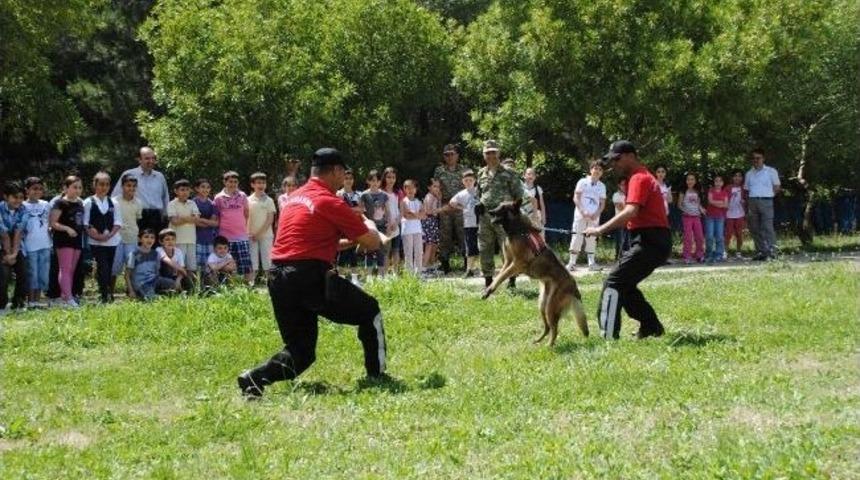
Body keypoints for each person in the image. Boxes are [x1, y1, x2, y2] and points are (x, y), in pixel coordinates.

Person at [237, 147, 388, 398]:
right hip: (309, 276)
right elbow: (372, 242)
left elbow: (311, 242)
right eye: (344, 173)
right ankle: (377, 375)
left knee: (301, 352)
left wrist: (351, 240)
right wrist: (369, 227)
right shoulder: (330, 201)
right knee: (369, 310)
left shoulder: (293, 199)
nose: (344, 179)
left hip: (278, 277)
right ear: (337, 171)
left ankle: (254, 377)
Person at [585, 140, 671, 340]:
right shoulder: (639, 176)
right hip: (650, 240)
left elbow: (631, 211)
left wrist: (600, 229)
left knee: (613, 282)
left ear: (631, 156)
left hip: (650, 241)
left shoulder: (639, 178)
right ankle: (651, 327)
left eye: (617, 159)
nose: (614, 164)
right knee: (626, 285)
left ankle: (608, 335)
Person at [476, 140, 525, 288]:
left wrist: (514, 214)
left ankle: (511, 281)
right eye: (487, 152)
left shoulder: (509, 173)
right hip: (485, 217)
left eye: (493, 152)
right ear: (484, 155)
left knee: (507, 249)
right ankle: (488, 281)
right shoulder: (481, 173)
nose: (491, 155)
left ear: (498, 153)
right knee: (485, 248)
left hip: (504, 218)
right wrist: (479, 203)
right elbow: (480, 193)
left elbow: (519, 195)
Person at [112, 147, 170, 239]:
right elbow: (115, 196)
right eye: (147, 158)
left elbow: (165, 197)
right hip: (137, 216)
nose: (150, 161)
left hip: (156, 217)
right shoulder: (129, 174)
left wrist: (166, 215)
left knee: (155, 249)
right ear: (139, 159)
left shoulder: (160, 176)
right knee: (136, 247)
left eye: (153, 158)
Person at [83, 172, 122, 303]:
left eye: (106, 184)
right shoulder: (88, 202)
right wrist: (98, 236)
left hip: (112, 241)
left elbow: (118, 222)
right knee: (102, 267)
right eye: (101, 184)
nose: (104, 187)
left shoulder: (114, 202)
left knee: (109, 268)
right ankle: (104, 295)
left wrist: (109, 235)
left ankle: (107, 293)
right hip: (95, 242)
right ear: (95, 185)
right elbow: (86, 223)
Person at [49, 176, 85, 308]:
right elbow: (53, 223)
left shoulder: (80, 203)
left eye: (80, 187)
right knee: (65, 269)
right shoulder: (60, 203)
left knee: (71, 270)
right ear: (65, 188)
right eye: (74, 187)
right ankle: (69, 298)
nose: (78, 190)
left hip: (77, 240)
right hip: (63, 240)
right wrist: (67, 228)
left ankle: (65, 297)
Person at [433, 144, 468, 273]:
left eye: (452, 154)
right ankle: (445, 264)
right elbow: (435, 188)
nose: (449, 156)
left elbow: (470, 188)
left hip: (460, 206)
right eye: (446, 154)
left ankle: (467, 263)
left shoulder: (464, 170)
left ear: (457, 155)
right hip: (445, 206)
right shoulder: (439, 171)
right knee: (445, 235)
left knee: (463, 234)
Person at [567, 161, 607, 272]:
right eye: (595, 168)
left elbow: (602, 203)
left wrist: (596, 214)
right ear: (591, 170)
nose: (597, 171)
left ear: (602, 172)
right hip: (580, 215)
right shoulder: (582, 182)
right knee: (577, 237)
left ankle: (591, 263)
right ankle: (571, 263)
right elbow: (576, 198)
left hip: (594, 217)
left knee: (592, 239)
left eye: (600, 169)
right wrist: (582, 211)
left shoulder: (602, 186)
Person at [214, 171, 253, 283]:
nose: (233, 184)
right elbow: (216, 216)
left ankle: (248, 287)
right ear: (224, 182)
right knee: (227, 264)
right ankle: (230, 286)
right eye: (230, 181)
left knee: (246, 264)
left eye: (235, 182)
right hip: (225, 237)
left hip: (241, 236)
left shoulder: (243, 195)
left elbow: (246, 213)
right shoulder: (218, 198)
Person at [744, 148, 781, 260]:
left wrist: (769, 196)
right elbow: (746, 189)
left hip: (766, 201)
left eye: (758, 158)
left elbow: (777, 187)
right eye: (754, 158)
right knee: (754, 228)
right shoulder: (749, 173)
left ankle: (773, 252)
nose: (756, 160)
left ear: (763, 158)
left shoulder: (771, 171)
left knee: (767, 227)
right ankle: (761, 251)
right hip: (752, 202)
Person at [21, 177, 52, 308]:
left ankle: (37, 301)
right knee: (32, 273)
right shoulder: (22, 205)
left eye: (40, 189)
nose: (37, 191)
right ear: (27, 190)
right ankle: (31, 301)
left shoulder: (46, 204)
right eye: (34, 189)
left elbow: (50, 221)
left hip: (45, 244)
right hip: (29, 246)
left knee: (43, 274)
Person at [113, 174, 143, 297]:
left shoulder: (138, 202)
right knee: (115, 266)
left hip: (132, 237)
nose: (131, 188)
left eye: (134, 186)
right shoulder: (114, 201)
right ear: (122, 186)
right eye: (128, 186)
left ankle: (130, 290)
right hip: (117, 238)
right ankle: (110, 292)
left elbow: (137, 218)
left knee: (131, 265)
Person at [1, 181, 28, 312]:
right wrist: (7, 255)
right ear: (6, 197)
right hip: (1, 245)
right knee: (4, 274)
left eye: (21, 197)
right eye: (15, 197)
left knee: (23, 273)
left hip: (17, 245)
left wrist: (14, 254)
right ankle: (2, 304)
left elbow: (18, 232)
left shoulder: (23, 209)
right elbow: (4, 234)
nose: (18, 200)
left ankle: (18, 302)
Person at [449, 170, 480, 277]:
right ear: (463, 182)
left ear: (474, 181)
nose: (468, 182)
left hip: (481, 223)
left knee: (481, 246)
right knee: (470, 246)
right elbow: (452, 202)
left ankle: (479, 268)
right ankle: (469, 269)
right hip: (469, 223)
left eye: (470, 180)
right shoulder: (461, 194)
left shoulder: (479, 191)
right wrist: (461, 208)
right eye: (466, 180)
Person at [126, 229, 171, 301]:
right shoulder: (134, 254)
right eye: (146, 237)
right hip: (142, 283)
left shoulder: (156, 254)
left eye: (152, 237)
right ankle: (143, 294)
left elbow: (157, 271)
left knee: (174, 285)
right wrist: (131, 291)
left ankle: (154, 292)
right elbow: (127, 275)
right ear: (139, 239)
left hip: (154, 280)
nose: (149, 239)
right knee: (155, 299)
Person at [247, 172, 276, 284]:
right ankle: (251, 285)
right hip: (251, 235)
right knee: (252, 261)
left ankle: (270, 285)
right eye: (258, 182)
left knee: (267, 261)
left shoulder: (269, 200)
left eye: (263, 182)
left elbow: (270, 219)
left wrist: (259, 234)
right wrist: (249, 233)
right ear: (252, 185)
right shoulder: (248, 200)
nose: (261, 185)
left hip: (266, 235)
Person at [167, 179, 200, 277]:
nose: (185, 192)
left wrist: (182, 217)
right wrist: (190, 218)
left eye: (187, 189)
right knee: (178, 264)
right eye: (182, 189)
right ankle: (177, 287)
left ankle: (191, 288)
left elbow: (197, 219)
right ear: (176, 191)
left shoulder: (192, 203)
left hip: (191, 239)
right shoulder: (172, 204)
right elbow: (174, 221)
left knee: (192, 265)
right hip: (177, 239)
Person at [360, 170, 390, 276]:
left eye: (377, 180)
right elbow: (360, 211)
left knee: (381, 251)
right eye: (372, 180)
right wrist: (366, 222)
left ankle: (381, 276)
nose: (375, 183)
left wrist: (389, 224)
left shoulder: (384, 195)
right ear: (368, 181)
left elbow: (387, 211)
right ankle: (369, 275)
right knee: (369, 250)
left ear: (380, 182)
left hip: (381, 226)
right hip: (370, 228)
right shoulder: (364, 195)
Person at [336, 169, 364, 281]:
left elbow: (361, 210)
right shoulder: (338, 194)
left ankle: (355, 279)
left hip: (354, 227)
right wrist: (354, 210)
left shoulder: (358, 194)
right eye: (346, 178)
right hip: (342, 228)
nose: (348, 181)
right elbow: (339, 210)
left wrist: (349, 209)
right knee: (342, 253)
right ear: (342, 180)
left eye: (350, 178)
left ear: (353, 180)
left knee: (353, 253)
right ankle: (340, 278)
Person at [192, 178, 219, 284]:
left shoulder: (212, 204)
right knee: (197, 265)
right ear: (197, 188)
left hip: (209, 238)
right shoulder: (193, 202)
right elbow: (194, 222)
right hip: (196, 237)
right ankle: (197, 286)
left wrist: (201, 220)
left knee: (209, 264)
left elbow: (215, 223)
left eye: (208, 187)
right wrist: (207, 222)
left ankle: (210, 286)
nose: (205, 189)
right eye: (202, 187)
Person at [678, 172, 706, 264]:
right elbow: (679, 205)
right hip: (687, 217)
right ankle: (687, 256)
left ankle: (699, 255)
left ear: (695, 181)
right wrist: (685, 210)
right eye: (688, 179)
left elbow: (698, 204)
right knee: (688, 237)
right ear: (686, 181)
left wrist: (702, 209)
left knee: (700, 236)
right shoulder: (683, 191)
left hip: (697, 216)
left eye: (692, 179)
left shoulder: (697, 191)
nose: (690, 181)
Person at [400, 179, 425, 275]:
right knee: (408, 252)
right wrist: (417, 215)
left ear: (416, 189)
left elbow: (424, 215)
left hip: (418, 230)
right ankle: (409, 274)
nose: (410, 190)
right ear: (405, 189)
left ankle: (418, 272)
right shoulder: (403, 201)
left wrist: (413, 213)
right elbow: (406, 215)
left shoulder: (419, 201)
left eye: (413, 188)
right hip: (407, 230)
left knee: (419, 251)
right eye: (408, 188)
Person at [156, 228, 193, 293]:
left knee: (190, 274)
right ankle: (171, 289)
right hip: (162, 275)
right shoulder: (159, 249)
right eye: (167, 239)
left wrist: (178, 280)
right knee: (168, 265)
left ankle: (183, 290)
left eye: (173, 239)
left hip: (174, 276)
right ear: (161, 242)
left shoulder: (178, 251)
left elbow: (182, 268)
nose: (170, 242)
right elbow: (167, 260)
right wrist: (182, 270)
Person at [381, 167, 403, 274]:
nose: (391, 180)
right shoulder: (381, 192)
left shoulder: (398, 192)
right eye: (389, 177)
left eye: (393, 177)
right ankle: (384, 275)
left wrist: (397, 222)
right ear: (384, 178)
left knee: (396, 250)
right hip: (385, 226)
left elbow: (402, 209)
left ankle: (396, 274)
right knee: (386, 251)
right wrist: (388, 223)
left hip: (396, 225)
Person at [421, 178, 444, 274]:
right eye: (434, 186)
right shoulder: (429, 197)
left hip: (434, 221)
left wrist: (439, 200)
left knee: (434, 244)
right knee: (429, 244)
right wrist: (439, 210)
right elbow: (427, 211)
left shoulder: (435, 197)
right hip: (428, 222)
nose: (437, 189)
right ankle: (424, 266)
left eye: (438, 187)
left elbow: (437, 208)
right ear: (429, 187)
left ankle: (431, 265)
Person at [704, 175, 729, 263]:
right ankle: (709, 254)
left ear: (722, 183)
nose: (718, 183)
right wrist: (721, 203)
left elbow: (726, 205)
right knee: (709, 236)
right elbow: (710, 201)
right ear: (714, 183)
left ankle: (719, 254)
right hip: (710, 217)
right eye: (716, 181)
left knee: (719, 237)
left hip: (720, 217)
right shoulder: (711, 190)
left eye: (720, 181)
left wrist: (716, 203)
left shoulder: (724, 192)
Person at [724, 170, 746, 259]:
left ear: (742, 178)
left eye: (739, 176)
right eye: (735, 176)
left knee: (739, 234)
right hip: (729, 214)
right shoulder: (727, 187)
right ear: (732, 178)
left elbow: (747, 200)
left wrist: (744, 202)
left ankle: (738, 252)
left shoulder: (743, 188)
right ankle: (725, 251)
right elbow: (723, 198)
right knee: (728, 233)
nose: (737, 178)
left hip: (740, 213)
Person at [522, 167, 546, 236]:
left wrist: (543, 218)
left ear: (535, 177)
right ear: (524, 175)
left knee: (540, 236)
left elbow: (542, 205)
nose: (531, 176)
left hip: (536, 217)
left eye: (533, 174)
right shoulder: (520, 188)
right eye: (529, 174)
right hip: (524, 216)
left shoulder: (538, 188)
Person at [612, 178, 630, 260]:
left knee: (628, 241)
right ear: (619, 185)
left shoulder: (629, 194)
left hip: (629, 221)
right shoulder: (616, 195)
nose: (624, 186)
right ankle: (619, 257)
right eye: (622, 184)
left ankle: (627, 258)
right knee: (620, 240)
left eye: (626, 184)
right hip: (620, 221)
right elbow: (620, 208)